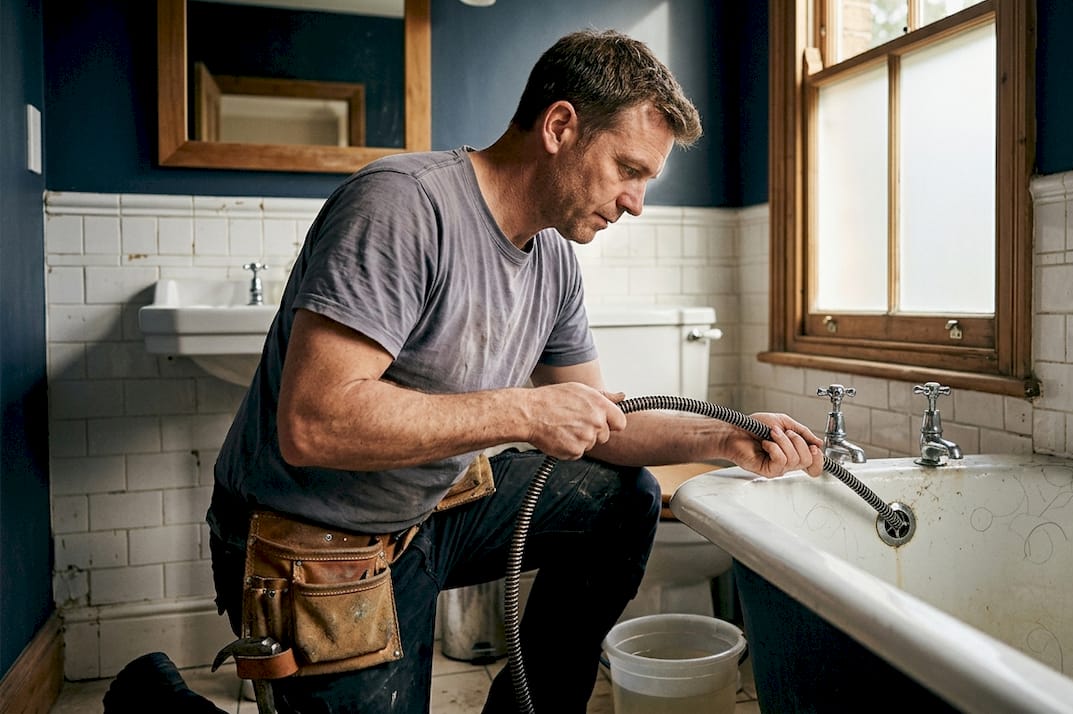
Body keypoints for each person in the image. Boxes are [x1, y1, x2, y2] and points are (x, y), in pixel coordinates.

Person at [207, 28, 824, 714]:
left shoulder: (553, 261)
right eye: (628, 169)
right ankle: (158, 696)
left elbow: (600, 425)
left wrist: (725, 438)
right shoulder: (402, 207)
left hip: (426, 513)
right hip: (310, 537)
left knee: (624, 498)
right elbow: (314, 424)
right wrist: (526, 412)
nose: (636, 202)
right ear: (561, 126)